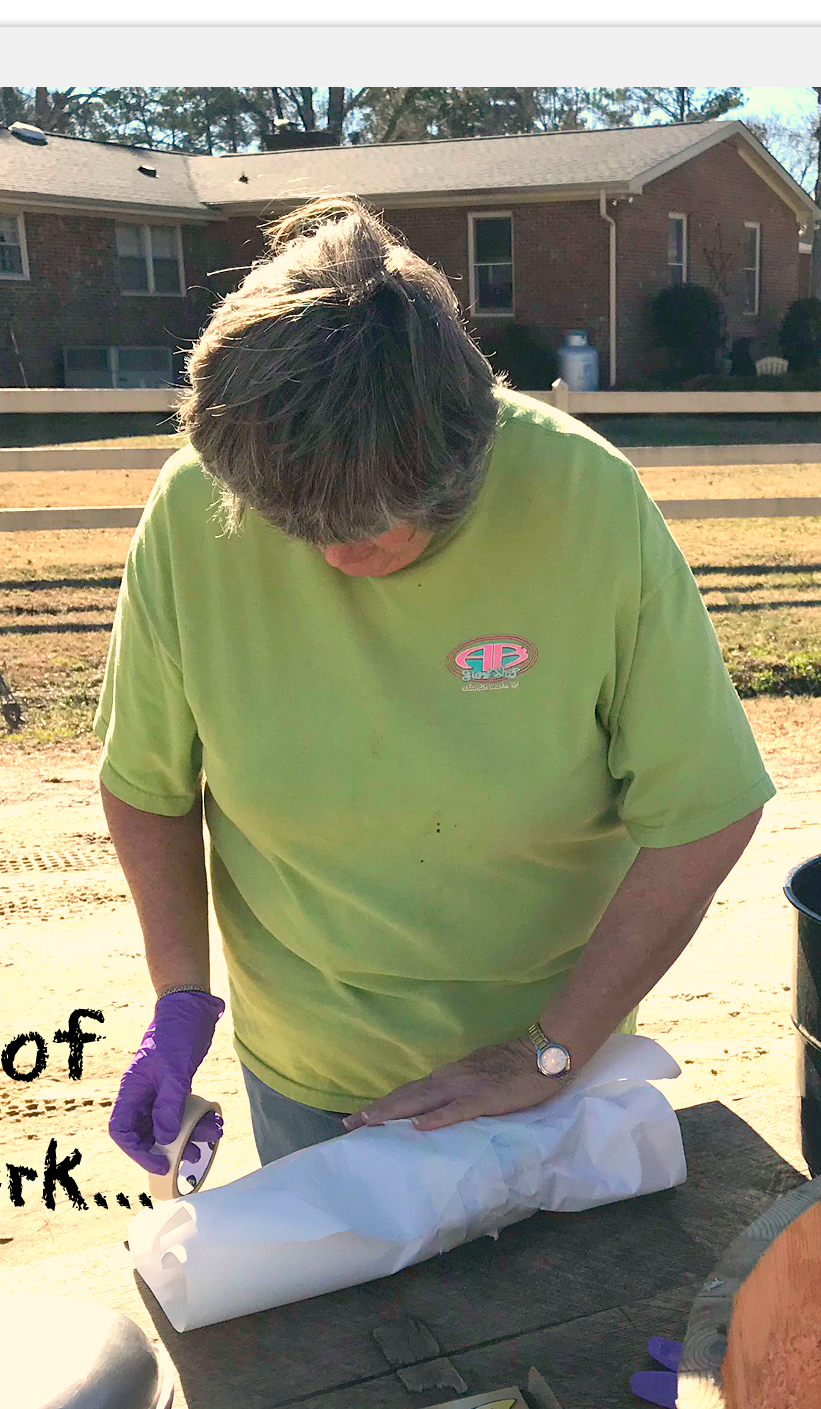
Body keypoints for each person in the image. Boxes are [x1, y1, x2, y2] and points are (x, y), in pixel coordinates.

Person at [94, 196, 775, 1179]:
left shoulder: (587, 505)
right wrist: (177, 1003)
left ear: (465, 463)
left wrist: (552, 1049)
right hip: (306, 1069)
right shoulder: (196, 507)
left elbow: (703, 809)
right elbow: (146, 786)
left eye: (368, 529)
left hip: (551, 1073)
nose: (329, 555)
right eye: (294, 525)